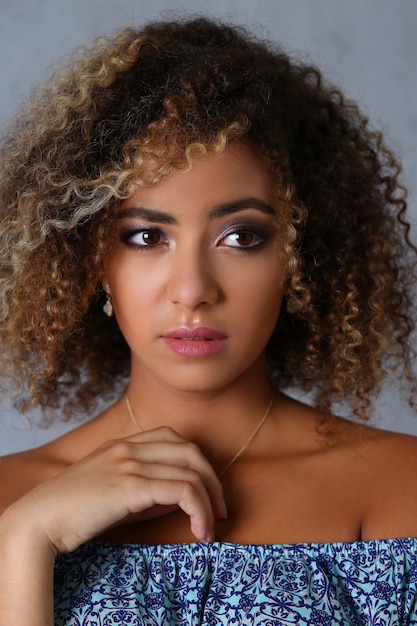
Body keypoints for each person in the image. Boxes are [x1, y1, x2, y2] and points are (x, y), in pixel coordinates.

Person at [0, 16, 417, 625]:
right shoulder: (14, 503)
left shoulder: (399, 486)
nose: (193, 290)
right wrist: (27, 539)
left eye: (242, 236)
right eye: (146, 236)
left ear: (302, 258)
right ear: (89, 262)